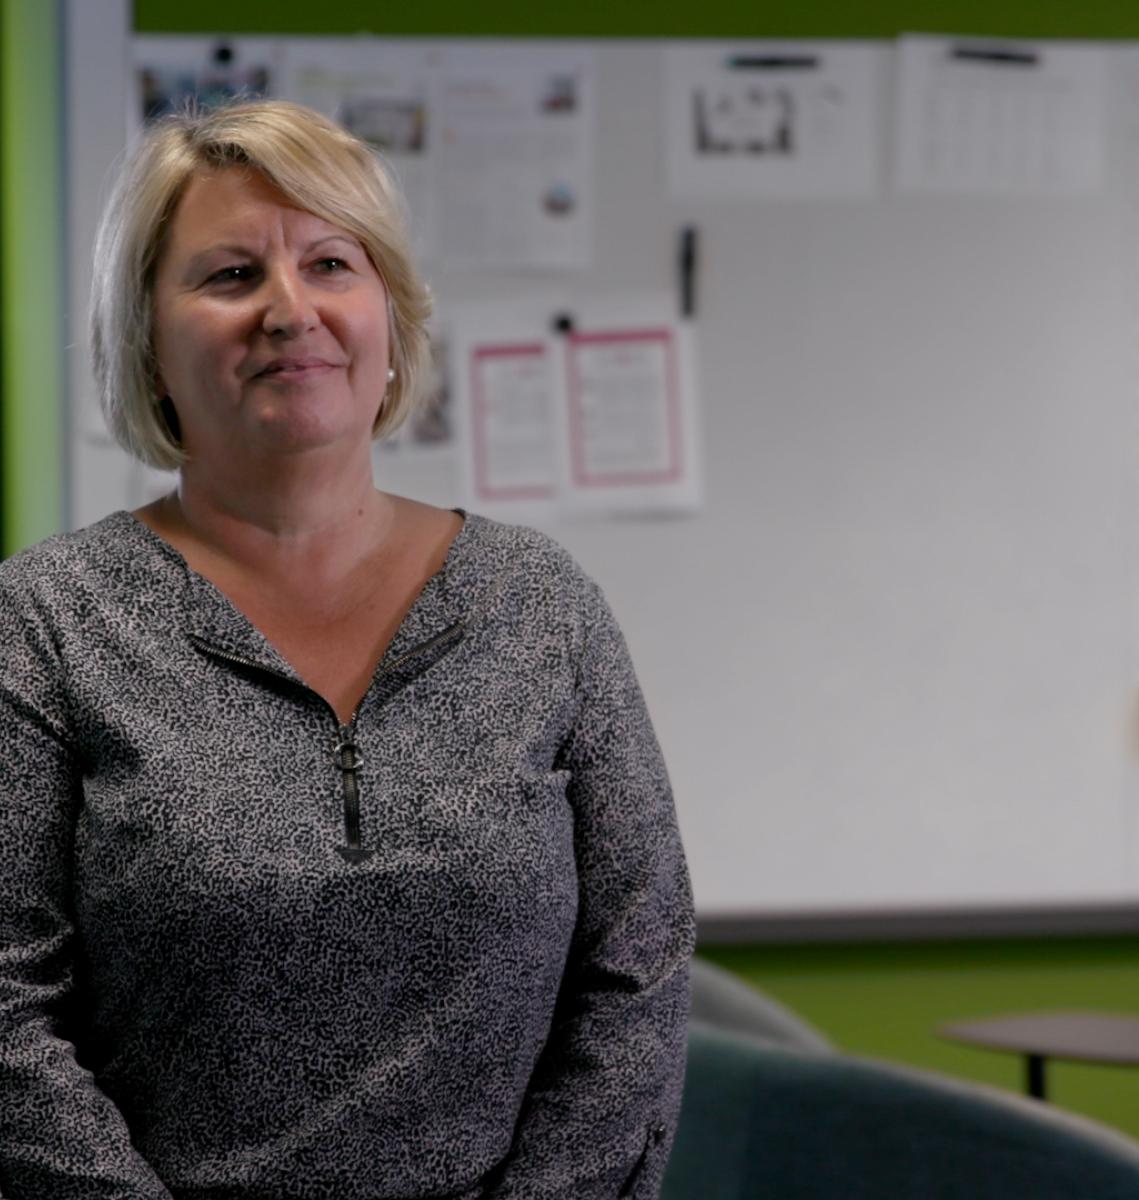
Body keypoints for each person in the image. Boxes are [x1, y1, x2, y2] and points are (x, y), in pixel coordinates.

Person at [0, 100, 694, 1200]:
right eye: (232, 275)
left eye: (331, 263)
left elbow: (639, 964)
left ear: (390, 320)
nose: (290, 310)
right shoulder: (46, 620)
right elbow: (7, 1014)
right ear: (147, 343)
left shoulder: (539, 605)